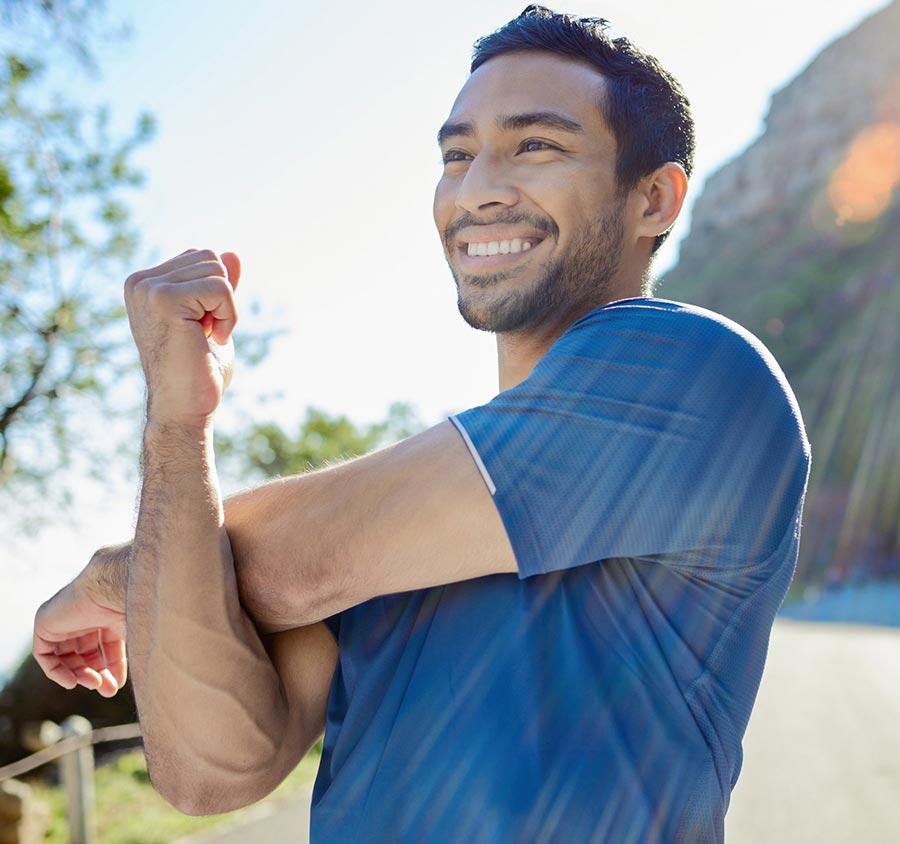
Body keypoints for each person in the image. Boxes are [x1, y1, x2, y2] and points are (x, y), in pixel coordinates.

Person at [32, 7, 810, 843]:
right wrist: (178, 425)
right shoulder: (408, 513)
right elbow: (208, 772)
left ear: (652, 196)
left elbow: (295, 566)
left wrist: (120, 576)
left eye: (536, 145)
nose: (477, 189)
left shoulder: (692, 372)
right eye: (457, 155)